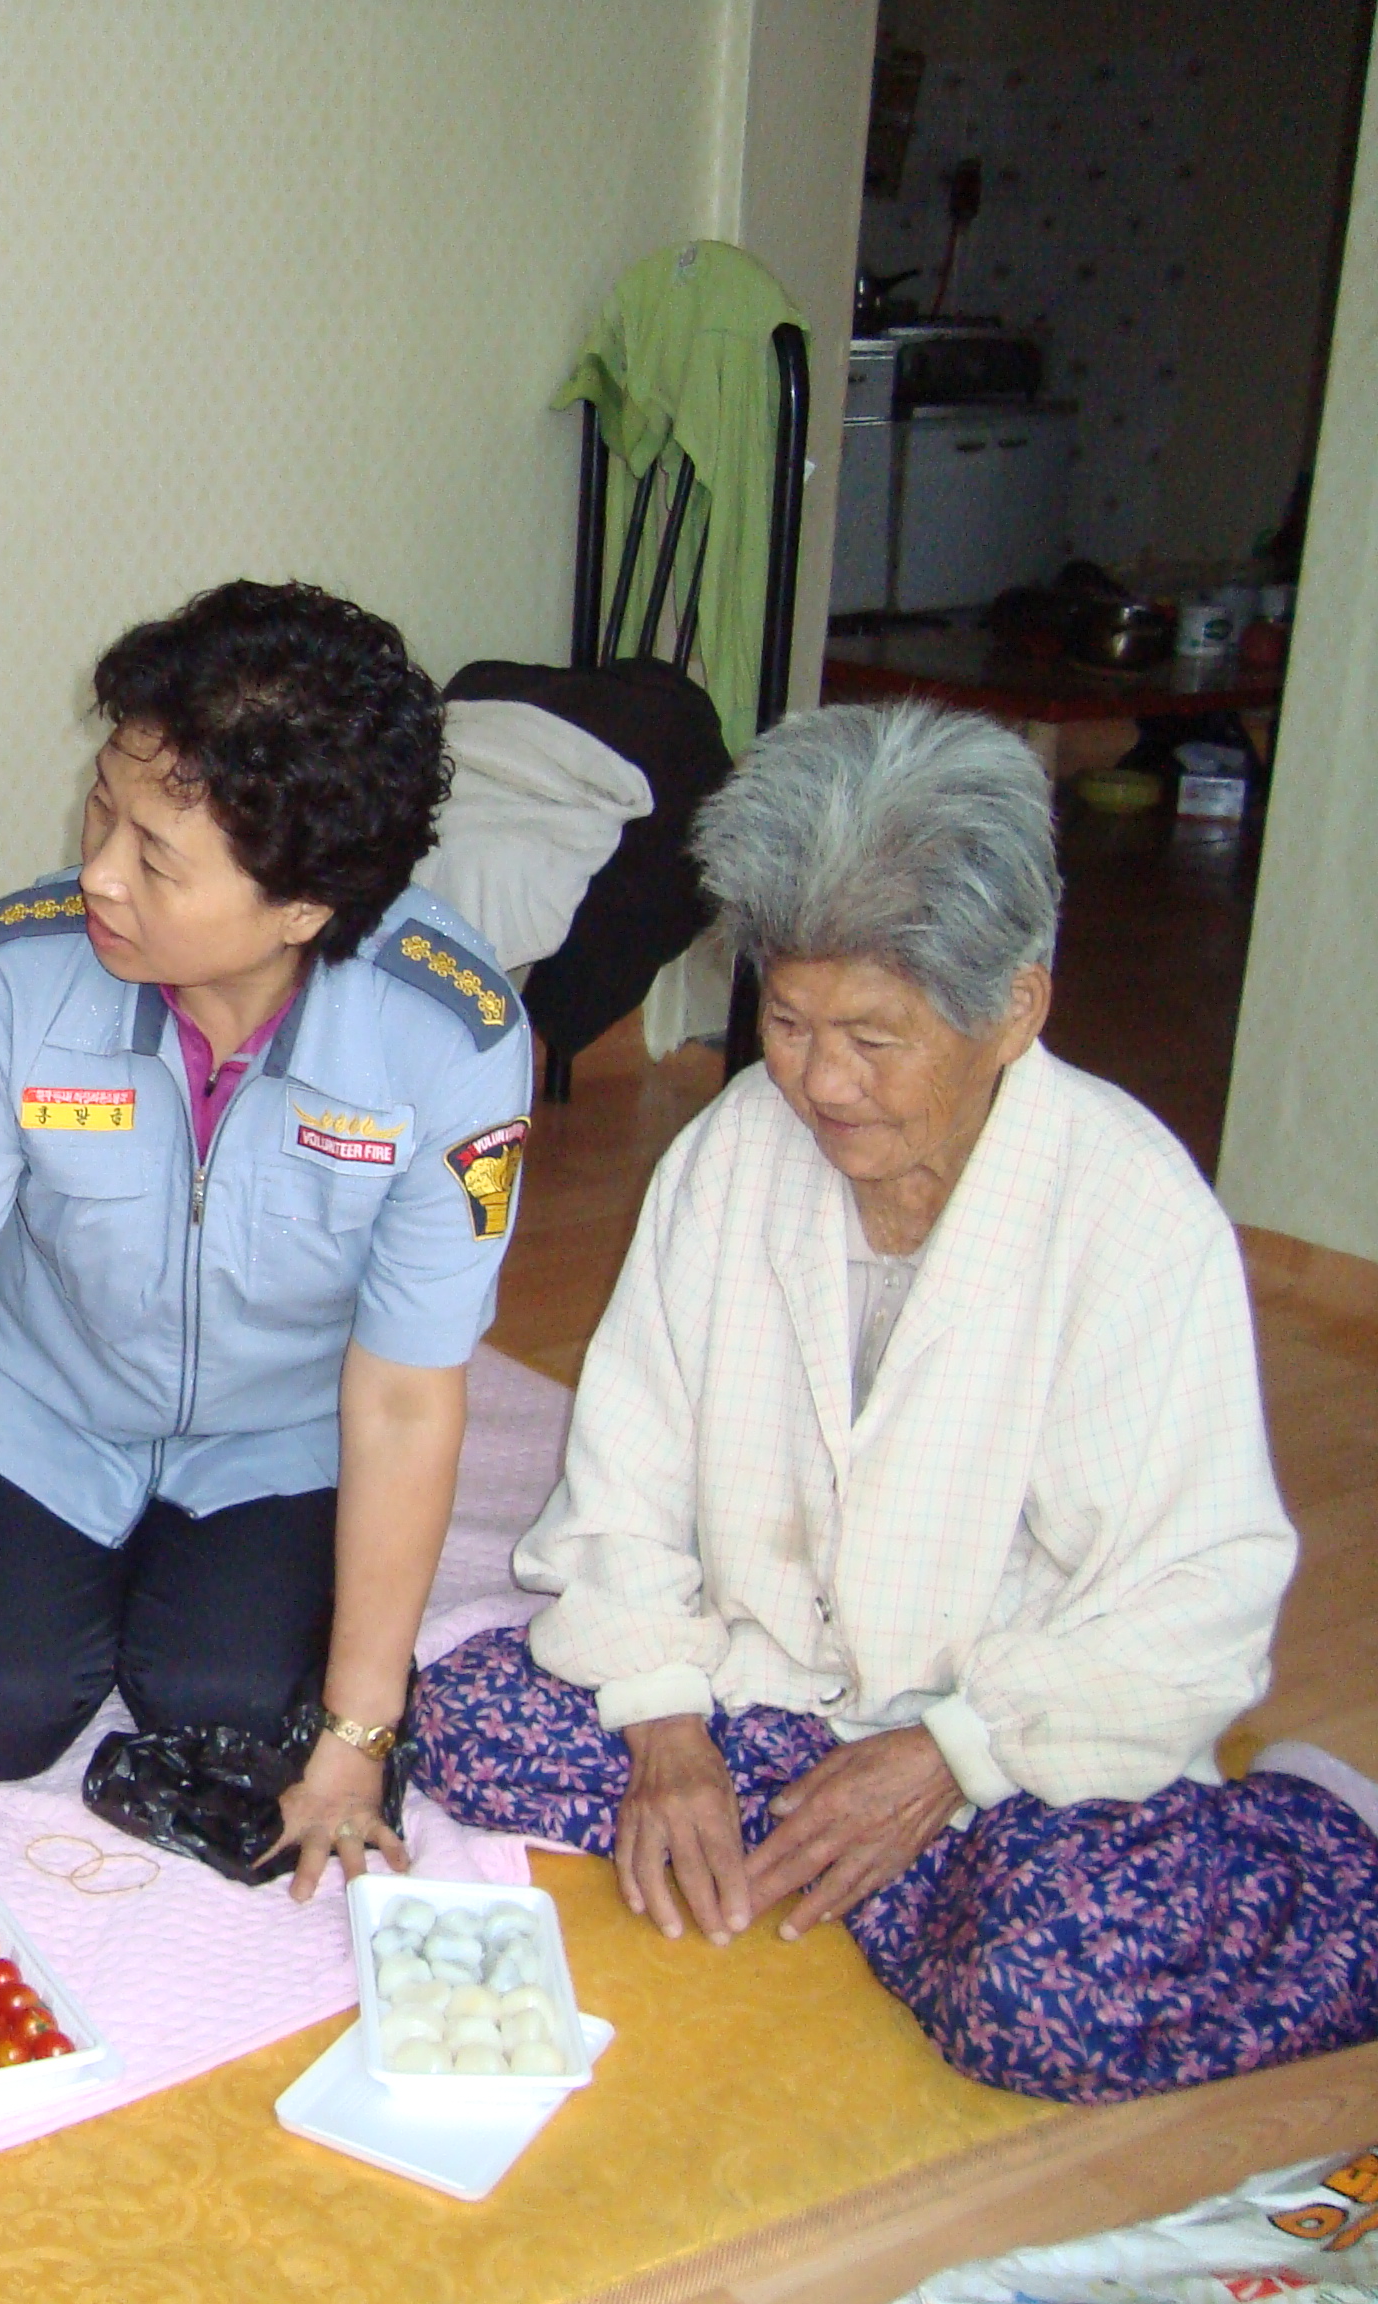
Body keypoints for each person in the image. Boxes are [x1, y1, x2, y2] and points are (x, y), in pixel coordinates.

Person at [411, 702, 1378, 2103]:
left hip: (1004, 1740)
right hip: (773, 1694)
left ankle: (1315, 1845)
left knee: (1045, 2001)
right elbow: (625, 1477)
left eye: (874, 1035)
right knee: (467, 1721)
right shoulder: (735, 1152)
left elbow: (1196, 1598)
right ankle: (873, 1874)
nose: (821, 1080)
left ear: (1016, 1009)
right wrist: (667, 1729)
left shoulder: (1132, 1216)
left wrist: (946, 1756)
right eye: (789, 1021)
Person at [0, 581, 535, 1892]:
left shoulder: (450, 1041)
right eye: (103, 811)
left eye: (155, 855)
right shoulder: (12, 979)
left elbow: (408, 1397)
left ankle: (219, 1610)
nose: (96, 872)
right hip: (37, 1398)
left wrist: (360, 1733)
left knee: (231, 1708)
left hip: (280, 1435)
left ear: (304, 906)